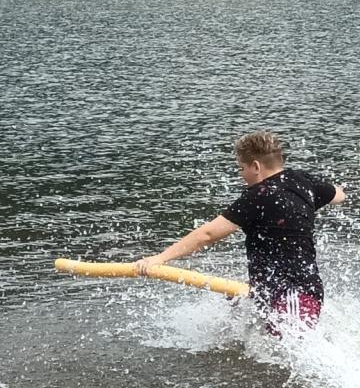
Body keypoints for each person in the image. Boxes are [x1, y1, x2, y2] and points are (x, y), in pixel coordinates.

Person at [135, 132, 344, 329]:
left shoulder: (258, 196)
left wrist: (160, 258)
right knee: (240, 320)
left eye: (241, 168)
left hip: (293, 293)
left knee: (290, 349)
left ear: (256, 166)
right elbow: (338, 195)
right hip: (286, 288)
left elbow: (207, 235)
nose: (241, 175)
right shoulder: (303, 181)